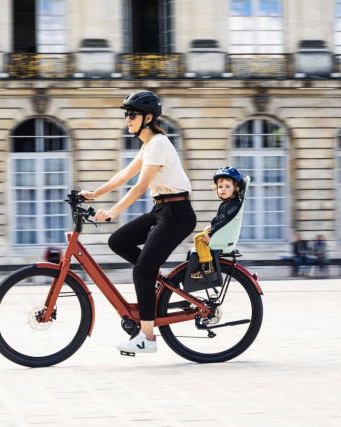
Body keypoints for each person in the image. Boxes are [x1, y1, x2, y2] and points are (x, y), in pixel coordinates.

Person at [80, 90, 196, 355]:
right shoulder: (148, 145)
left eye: (132, 114)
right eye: (126, 114)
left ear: (148, 117)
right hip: (162, 210)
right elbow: (125, 174)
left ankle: (147, 337)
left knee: (141, 271)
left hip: (177, 213)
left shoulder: (158, 144)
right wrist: (94, 193)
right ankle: (155, 279)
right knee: (118, 241)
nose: (127, 119)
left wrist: (112, 211)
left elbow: (140, 187)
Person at [191, 167, 244, 279]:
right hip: (221, 233)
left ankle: (207, 267)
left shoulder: (233, 205)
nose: (223, 189)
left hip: (222, 235)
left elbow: (224, 222)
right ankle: (204, 263)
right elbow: (219, 219)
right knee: (199, 238)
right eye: (220, 187)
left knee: (199, 239)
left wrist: (211, 233)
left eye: (227, 186)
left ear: (237, 188)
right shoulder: (227, 203)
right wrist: (211, 226)